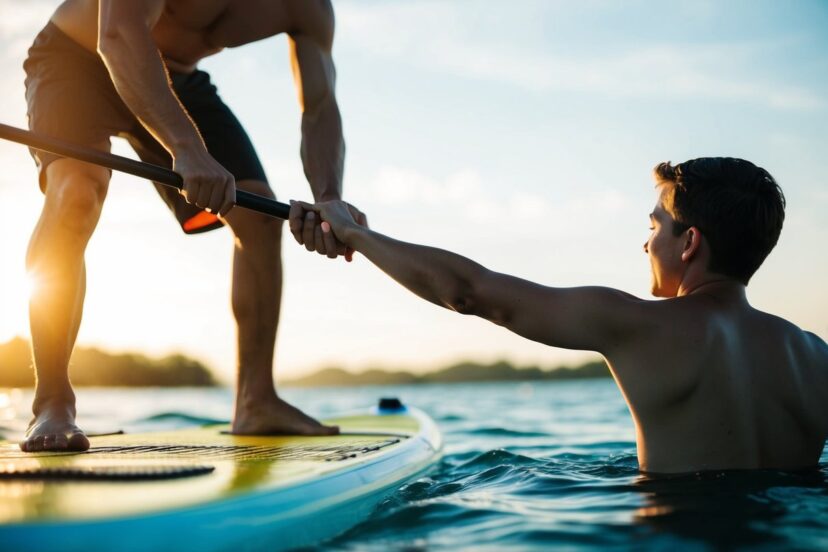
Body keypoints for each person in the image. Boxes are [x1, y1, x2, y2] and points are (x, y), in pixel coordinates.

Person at [289, 157, 828, 474]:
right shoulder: (814, 355)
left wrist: (355, 233)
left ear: (689, 242)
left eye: (654, 226)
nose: (646, 245)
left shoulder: (635, 324)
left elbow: (471, 293)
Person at [20, 0, 366, 452]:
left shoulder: (309, 8)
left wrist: (328, 198)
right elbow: (119, 36)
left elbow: (319, 107)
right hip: (77, 57)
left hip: (177, 78)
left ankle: (255, 400)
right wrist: (186, 147)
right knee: (77, 193)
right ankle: (52, 401)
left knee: (260, 218)